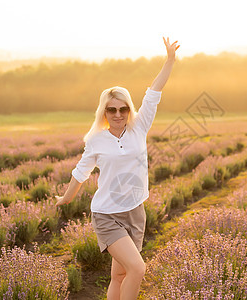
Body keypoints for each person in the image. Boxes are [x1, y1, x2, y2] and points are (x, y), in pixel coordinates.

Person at [55, 37, 180, 300]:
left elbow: (153, 93)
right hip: (107, 215)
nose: (118, 114)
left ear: (129, 109)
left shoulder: (139, 127)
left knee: (119, 275)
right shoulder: (96, 140)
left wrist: (169, 61)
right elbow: (81, 172)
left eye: (123, 108)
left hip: (135, 212)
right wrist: (66, 198)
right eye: (112, 109)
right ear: (104, 112)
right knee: (137, 268)